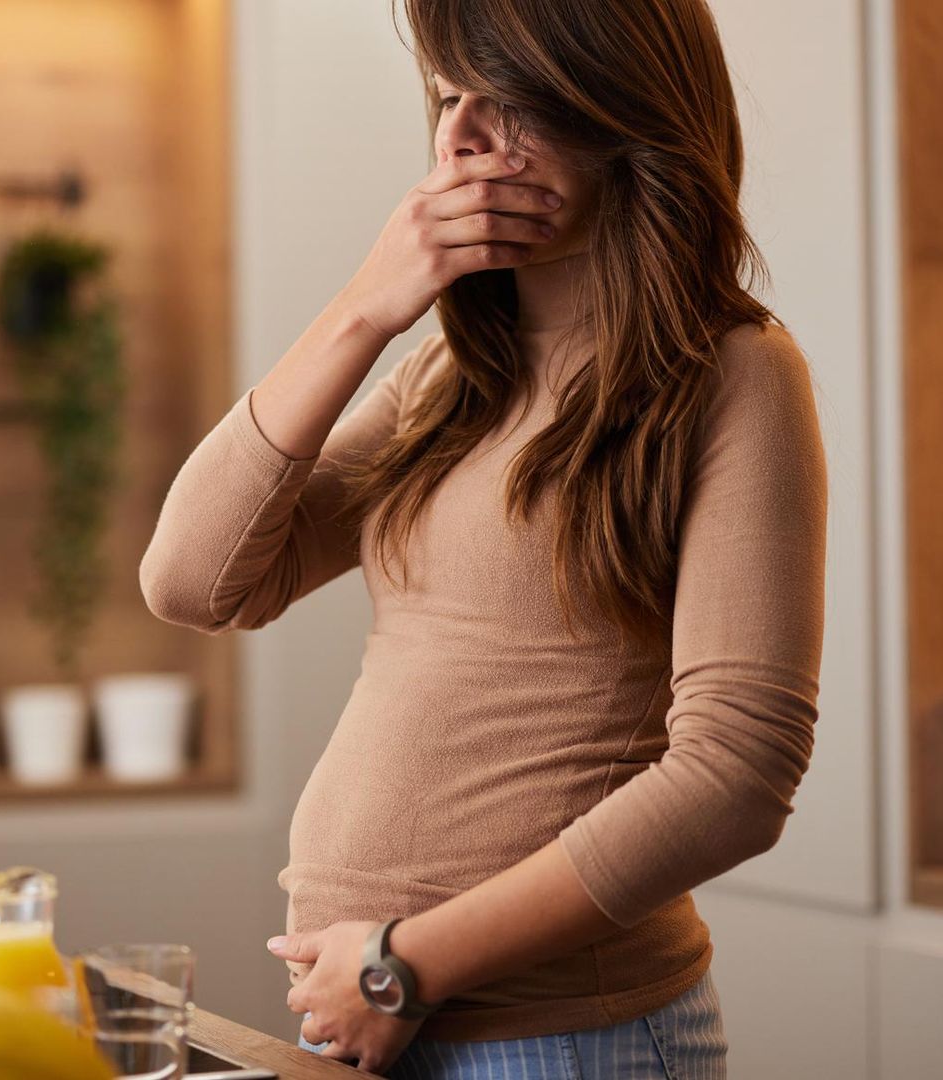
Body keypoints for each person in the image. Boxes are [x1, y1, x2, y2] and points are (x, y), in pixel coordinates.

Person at [138, 0, 828, 1076]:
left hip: (562, 1040)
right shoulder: (452, 377)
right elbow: (195, 581)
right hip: (379, 1020)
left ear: (615, 109)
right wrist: (366, 310)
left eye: (503, 101)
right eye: (450, 96)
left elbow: (737, 774)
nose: (456, 137)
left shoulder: (735, 372)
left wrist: (404, 965)